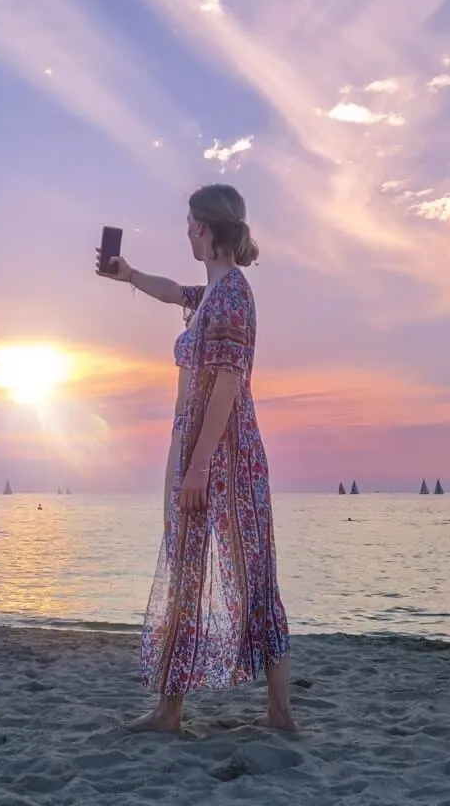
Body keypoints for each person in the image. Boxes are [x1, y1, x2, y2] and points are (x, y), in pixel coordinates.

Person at [96, 183, 294, 734]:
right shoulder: (211, 294)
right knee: (187, 569)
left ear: (205, 229)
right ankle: (172, 710)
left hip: (222, 453)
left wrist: (200, 464)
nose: (184, 231)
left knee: (253, 571)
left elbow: (230, 382)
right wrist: (129, 274)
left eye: (189, 223)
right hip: (198, 447)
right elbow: (171, 292)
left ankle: (276, 714)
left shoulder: (232, 295)